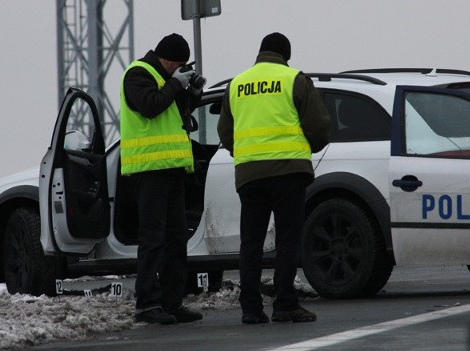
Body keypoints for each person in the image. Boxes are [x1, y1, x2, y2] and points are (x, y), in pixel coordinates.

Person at [217, 32, 331, 324]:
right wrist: (309, 146)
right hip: (288, 172)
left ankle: (250, 309)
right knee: (287, 240)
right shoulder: (294, 79)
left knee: (251, 243)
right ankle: (285, 304)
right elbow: (318, 126)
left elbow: (225, 134)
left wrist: (246, 154)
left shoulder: (237, 84)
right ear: (285, 56)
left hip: (250, 174)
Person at [120, 33, 205, 325]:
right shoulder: (138, 74)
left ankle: (172, 302)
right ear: (166, 59)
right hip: (149, 169)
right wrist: (175, 84)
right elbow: (150, 106)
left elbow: (178, 113)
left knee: (176, 239)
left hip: (172, 168)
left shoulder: (167, 78)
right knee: (153, 239)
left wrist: (192, 94)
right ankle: (147, 304)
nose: (178, 70)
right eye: (178, 65)